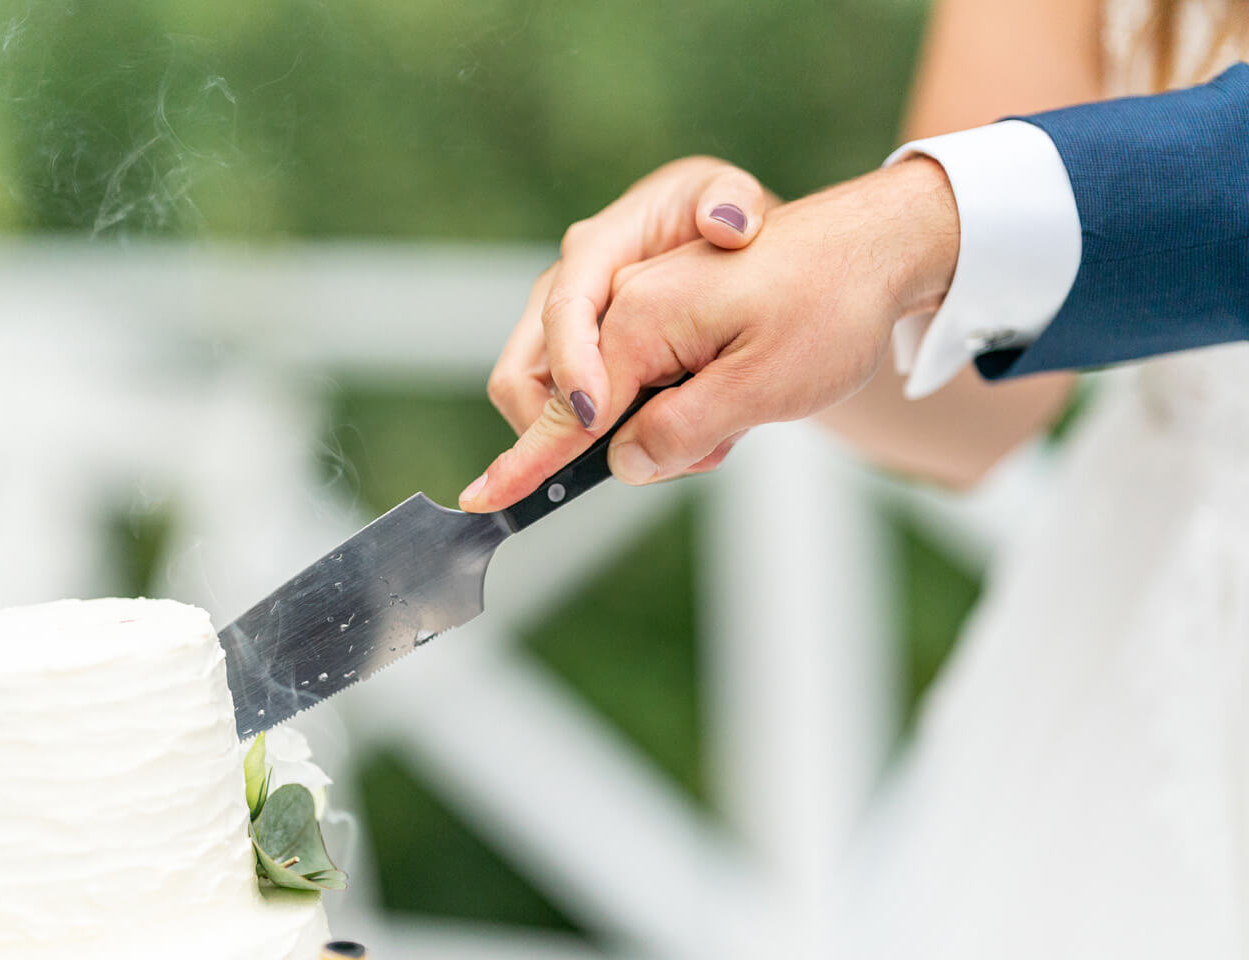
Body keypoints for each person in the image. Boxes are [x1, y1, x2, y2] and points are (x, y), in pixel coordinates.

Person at [465, 0, 1249, 954]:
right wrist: (758, 291)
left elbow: (935, 230)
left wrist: (897, 229)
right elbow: (968, 404)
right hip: (1131, 682)